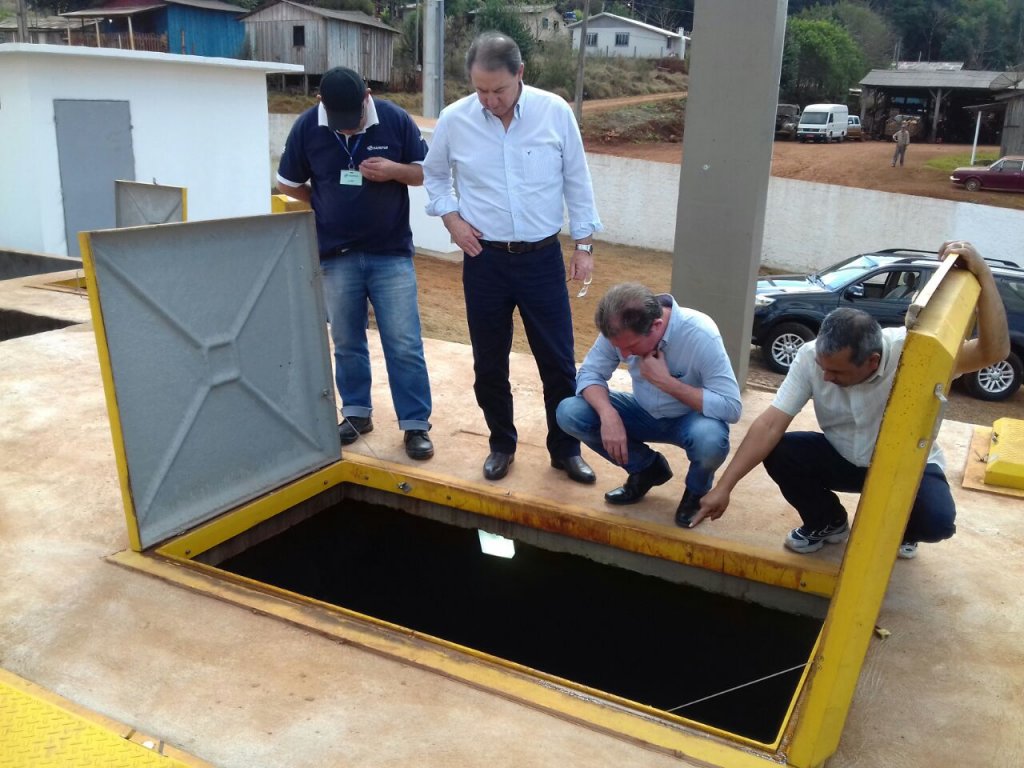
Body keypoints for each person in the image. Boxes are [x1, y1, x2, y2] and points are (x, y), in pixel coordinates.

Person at [689, 242, 1009, 559]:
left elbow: (994, 351)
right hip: (843, 457)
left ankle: (903, 531)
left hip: (905, 465)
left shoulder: (916, 355)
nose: (826, 378)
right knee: (781, 450)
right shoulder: (811, 357)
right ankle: (828, 522)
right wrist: (724, 487)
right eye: (823, 368)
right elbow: (770, 423)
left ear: (871, 361)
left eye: (837, 372)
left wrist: (983, 272)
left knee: (936, 522)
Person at [422, 31, 602, 483]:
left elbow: (577, 181)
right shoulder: (454, 119)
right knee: (489, 362)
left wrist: (583, 245)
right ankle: (502, 443)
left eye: (498, 90)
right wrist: (452, 220)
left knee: (558, 363)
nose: (489, 100)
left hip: (542, 259)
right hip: (484, 261)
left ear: (520, 74)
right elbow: (435, 176)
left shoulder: (554, 112)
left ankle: (565, 450)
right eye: (480, 90)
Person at [276, 66, 435, 460]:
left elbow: (425, 173)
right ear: (321, 103)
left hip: (390, 254)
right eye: (340, 123)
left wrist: (394, 172)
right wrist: (323, 203)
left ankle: (415, 425)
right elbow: (287, 182)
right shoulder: (307, 127)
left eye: (354, 121)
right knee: (347, 340)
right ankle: (357, 413)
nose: (347, 131)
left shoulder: (395, 119)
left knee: (404, 343)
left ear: (367, 95)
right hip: (336, 256)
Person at [556, 283, 741, 526]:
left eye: (630, 347)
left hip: (690, 419)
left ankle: (696, 492)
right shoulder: (619, 327)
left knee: (710, 440)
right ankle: (646, 469)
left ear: (656, 326)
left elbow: (731, 407)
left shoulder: (700, 333)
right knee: (570, 412)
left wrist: (667, 383)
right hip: (642, 411)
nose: (622, 354)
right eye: (618, 347)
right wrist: (607, 414)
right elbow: (589, 374)